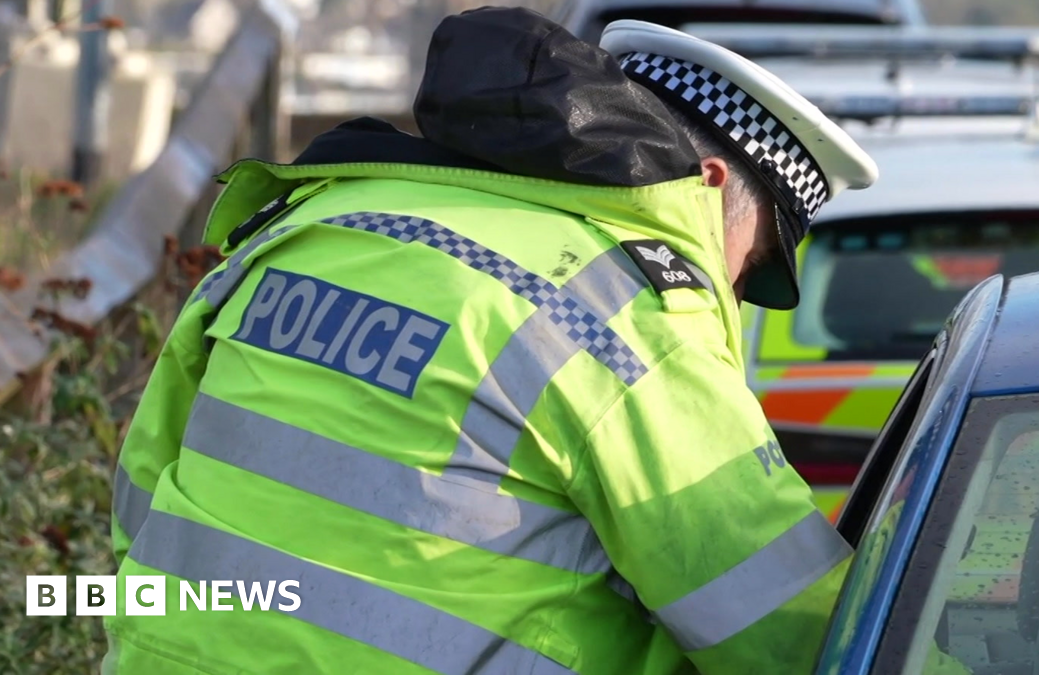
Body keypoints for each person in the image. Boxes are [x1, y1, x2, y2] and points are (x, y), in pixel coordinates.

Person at [104, 8, 880, 674]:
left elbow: (144, 494)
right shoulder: (625, 318)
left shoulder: (314, 223)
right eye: (759, 262)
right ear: (710, 183)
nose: (738, 287)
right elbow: (787, 632)